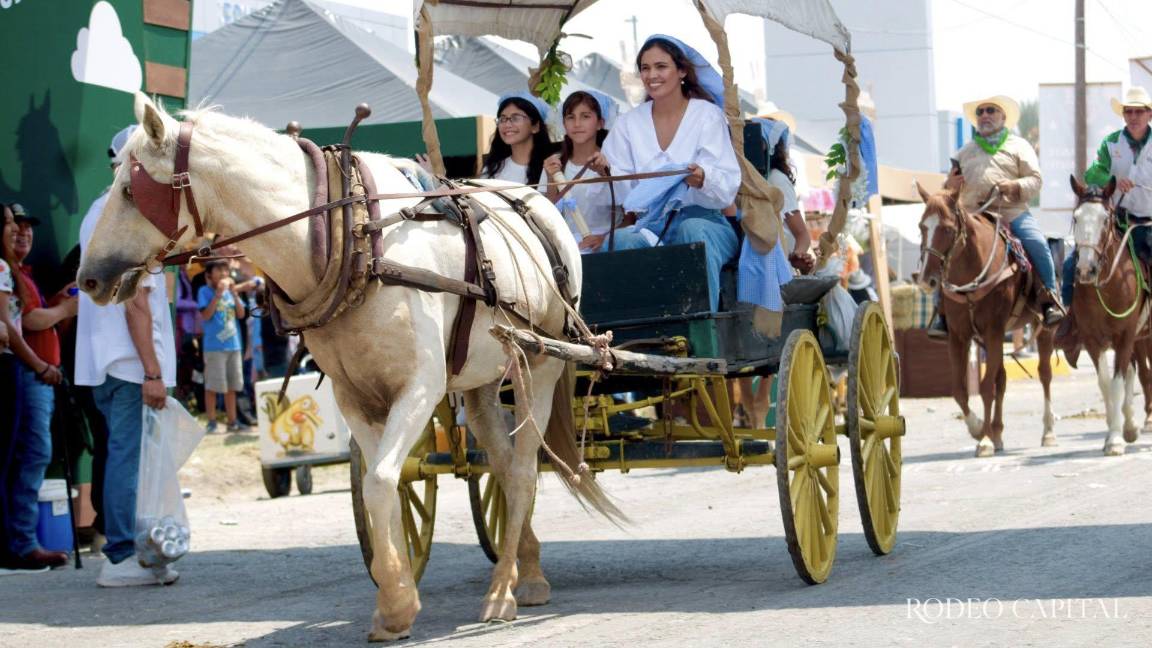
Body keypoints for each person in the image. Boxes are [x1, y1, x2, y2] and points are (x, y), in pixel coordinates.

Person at [74, 126, 179, 586]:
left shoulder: (100, 211)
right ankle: (120, 556)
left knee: (125, 457)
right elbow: (136, 302)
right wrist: (152, 372)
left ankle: (130, 550)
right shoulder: (124, 216)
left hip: (113, 361)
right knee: (126, 459)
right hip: (129, 363)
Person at [599, 34, 741, 311]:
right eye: (645, 68)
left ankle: (699, 331)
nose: (652, 75)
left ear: (682, 71)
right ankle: (631, 332)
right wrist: (606, 171)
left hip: (707, 221)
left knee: (693, 231)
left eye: (661, 66)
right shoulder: (629, 123)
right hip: (649, 225)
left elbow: (726, 188)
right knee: (622, 240)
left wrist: (702, 179)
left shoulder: (707, 115)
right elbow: (623, 192)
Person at [928, 94, 1060, 338]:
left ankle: (1049, 299)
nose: (985, 115)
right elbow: (948, 192)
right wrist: (950, 184)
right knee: (943, 248)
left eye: (991, 110)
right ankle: (941, 311)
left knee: (1037, 243)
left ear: (1003, 117)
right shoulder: (963, 152)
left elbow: (1036, 180)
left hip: (1011, 212)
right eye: (980, 112)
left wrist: (1014, 186)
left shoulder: (1019, 146)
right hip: (971, 217)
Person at [0, 203, 68, 572]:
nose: (20, 232)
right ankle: (21, 544)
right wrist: (63, 312)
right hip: (27, 375)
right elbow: (20, 324)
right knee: (29, 456)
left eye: (26, 226)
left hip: (34, 374)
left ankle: (20, 543)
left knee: (26, 456)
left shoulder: (20, 273)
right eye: (13, 225)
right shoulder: (5, 272)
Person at [733, 117, 812, 427]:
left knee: (766, 313)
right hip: (746, 256)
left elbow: (801, 233)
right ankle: (748, 400)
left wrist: (798, 254)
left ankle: (760, 398)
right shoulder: (739, 175)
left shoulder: (776, 180)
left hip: (773, 257)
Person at [1060, 86, 1152, 338]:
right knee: (1072, 263)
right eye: (1128, 111)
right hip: (1117, 219)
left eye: (1139, 111)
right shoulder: (1111, 143)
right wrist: (1113, 178)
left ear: (1149, 115)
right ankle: (1069, 317)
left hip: (1149, 221)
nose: (1133, 116)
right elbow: (1092, 173)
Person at [541, 90, 617, 253]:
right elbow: (547, 216)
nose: (577, 124)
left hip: (609, 245)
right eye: (570, 117)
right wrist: (550, 178)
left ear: (600, 123)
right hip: (568, 247)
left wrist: (604, 238)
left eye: (585, 116)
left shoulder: (614, 160)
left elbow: (630, 215)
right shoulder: (555, 163)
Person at [197, 259, 247, 433]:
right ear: (209, 275)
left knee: (232, 386)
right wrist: (217, 295)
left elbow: (241, 314)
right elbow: (205, 316)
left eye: (226, 271)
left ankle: (232, 421)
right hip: (214, 347)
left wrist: (234, 294)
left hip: (234, 345)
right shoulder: (204, 291)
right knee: (213, 386)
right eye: (219, 271)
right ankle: (212, 421)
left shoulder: (230, 293)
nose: (224, 274)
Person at [481, 93, 554, 184]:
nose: (507, 125)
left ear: (535, 126)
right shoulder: (492, 170)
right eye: (502, 119)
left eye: (515, 118)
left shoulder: (551, 167)